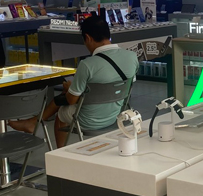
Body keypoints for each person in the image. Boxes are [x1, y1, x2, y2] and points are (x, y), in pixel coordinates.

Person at [9, 16, 138, 148]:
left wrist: (69, 88)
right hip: (115, 116)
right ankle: (34, 122)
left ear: (88, 38)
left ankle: (59, 150)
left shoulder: (87, 65)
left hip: (87, 121)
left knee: (62, 112)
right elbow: (127, 88)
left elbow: (71, 100)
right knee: (68, 97)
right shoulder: (132, 57)